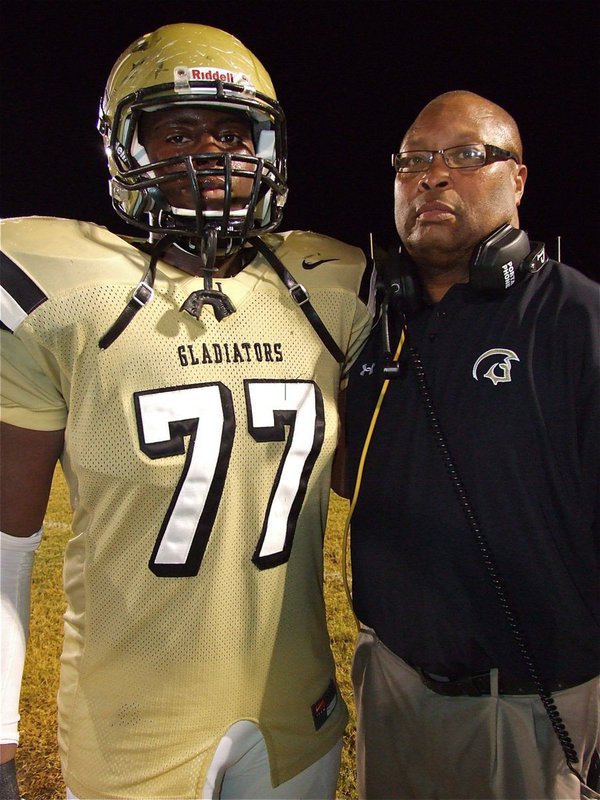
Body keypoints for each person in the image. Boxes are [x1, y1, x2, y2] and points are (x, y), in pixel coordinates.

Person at [0, 23, 371, 800]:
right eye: (178, 131)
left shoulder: (332, 288)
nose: (211, 155)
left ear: (266, 151)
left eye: (234, 133)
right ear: (128, 148)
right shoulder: (65, 291)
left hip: (295, 703)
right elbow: (8, 543)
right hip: (129, 719)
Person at [343, 91, 600, 799]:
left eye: (465, 155)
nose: (432, 175)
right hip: (390, 685)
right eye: (414, 161)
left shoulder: (579, 320)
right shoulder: (374, 324)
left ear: (517, 179)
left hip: (530, 711)